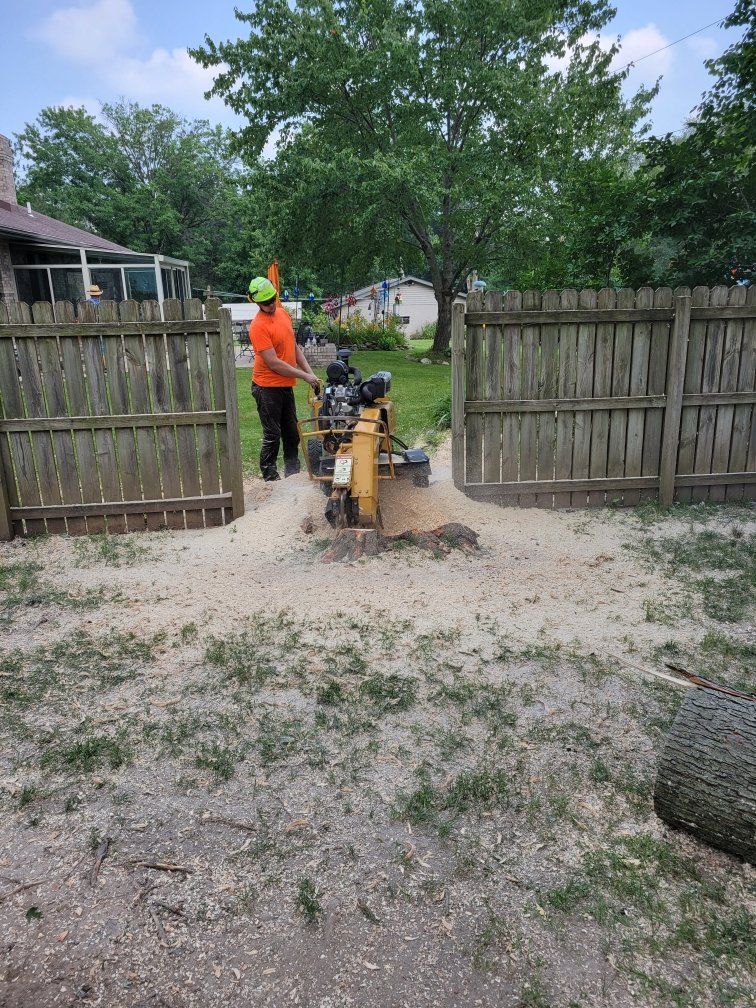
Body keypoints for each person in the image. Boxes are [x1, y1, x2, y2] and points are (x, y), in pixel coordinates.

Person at [247, 276, 321, 481]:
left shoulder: (283, 314)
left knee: (292, 433)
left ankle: (292, 474)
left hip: (284, 385)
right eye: (265, 302)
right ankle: (270, 478)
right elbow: (275, 364)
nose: (270, 305)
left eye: (272, 299)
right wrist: (304, 376)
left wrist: (310, 373)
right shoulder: (258, 326)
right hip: (266, 386)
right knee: (272, 435)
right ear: (256, 302)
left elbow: (293, 348)